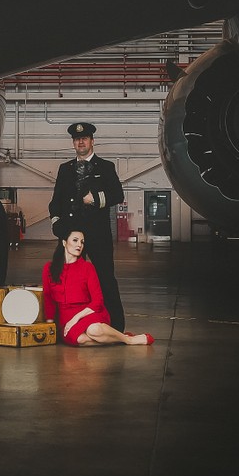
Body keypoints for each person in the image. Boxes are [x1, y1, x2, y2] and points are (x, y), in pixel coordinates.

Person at [48, 121, 126, 331]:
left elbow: (118, 194)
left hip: (98, 234)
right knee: (67, 280)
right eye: (76, 139)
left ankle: (116, 325)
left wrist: (96, 199)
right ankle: (64, 324)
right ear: (73, 143)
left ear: (92, 141)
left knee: (105, 279)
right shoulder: (65, 169)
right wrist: (57, 224)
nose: (80, 141)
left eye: (84, 138)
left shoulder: (106, 167)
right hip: (71, 234)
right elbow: (56, 201)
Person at [42, 224, 153, 347]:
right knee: (80, 339)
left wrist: (76, 318)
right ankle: (118, 338)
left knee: (94, 330)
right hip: (65, 317)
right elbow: (48, 298)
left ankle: (128, 340)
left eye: (82, 242)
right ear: (64, 242)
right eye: (75, 240)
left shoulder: (87, 267)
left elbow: (98, 301)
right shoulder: (49, 268)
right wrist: (49, 324)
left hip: (89, 313)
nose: (79, 245)